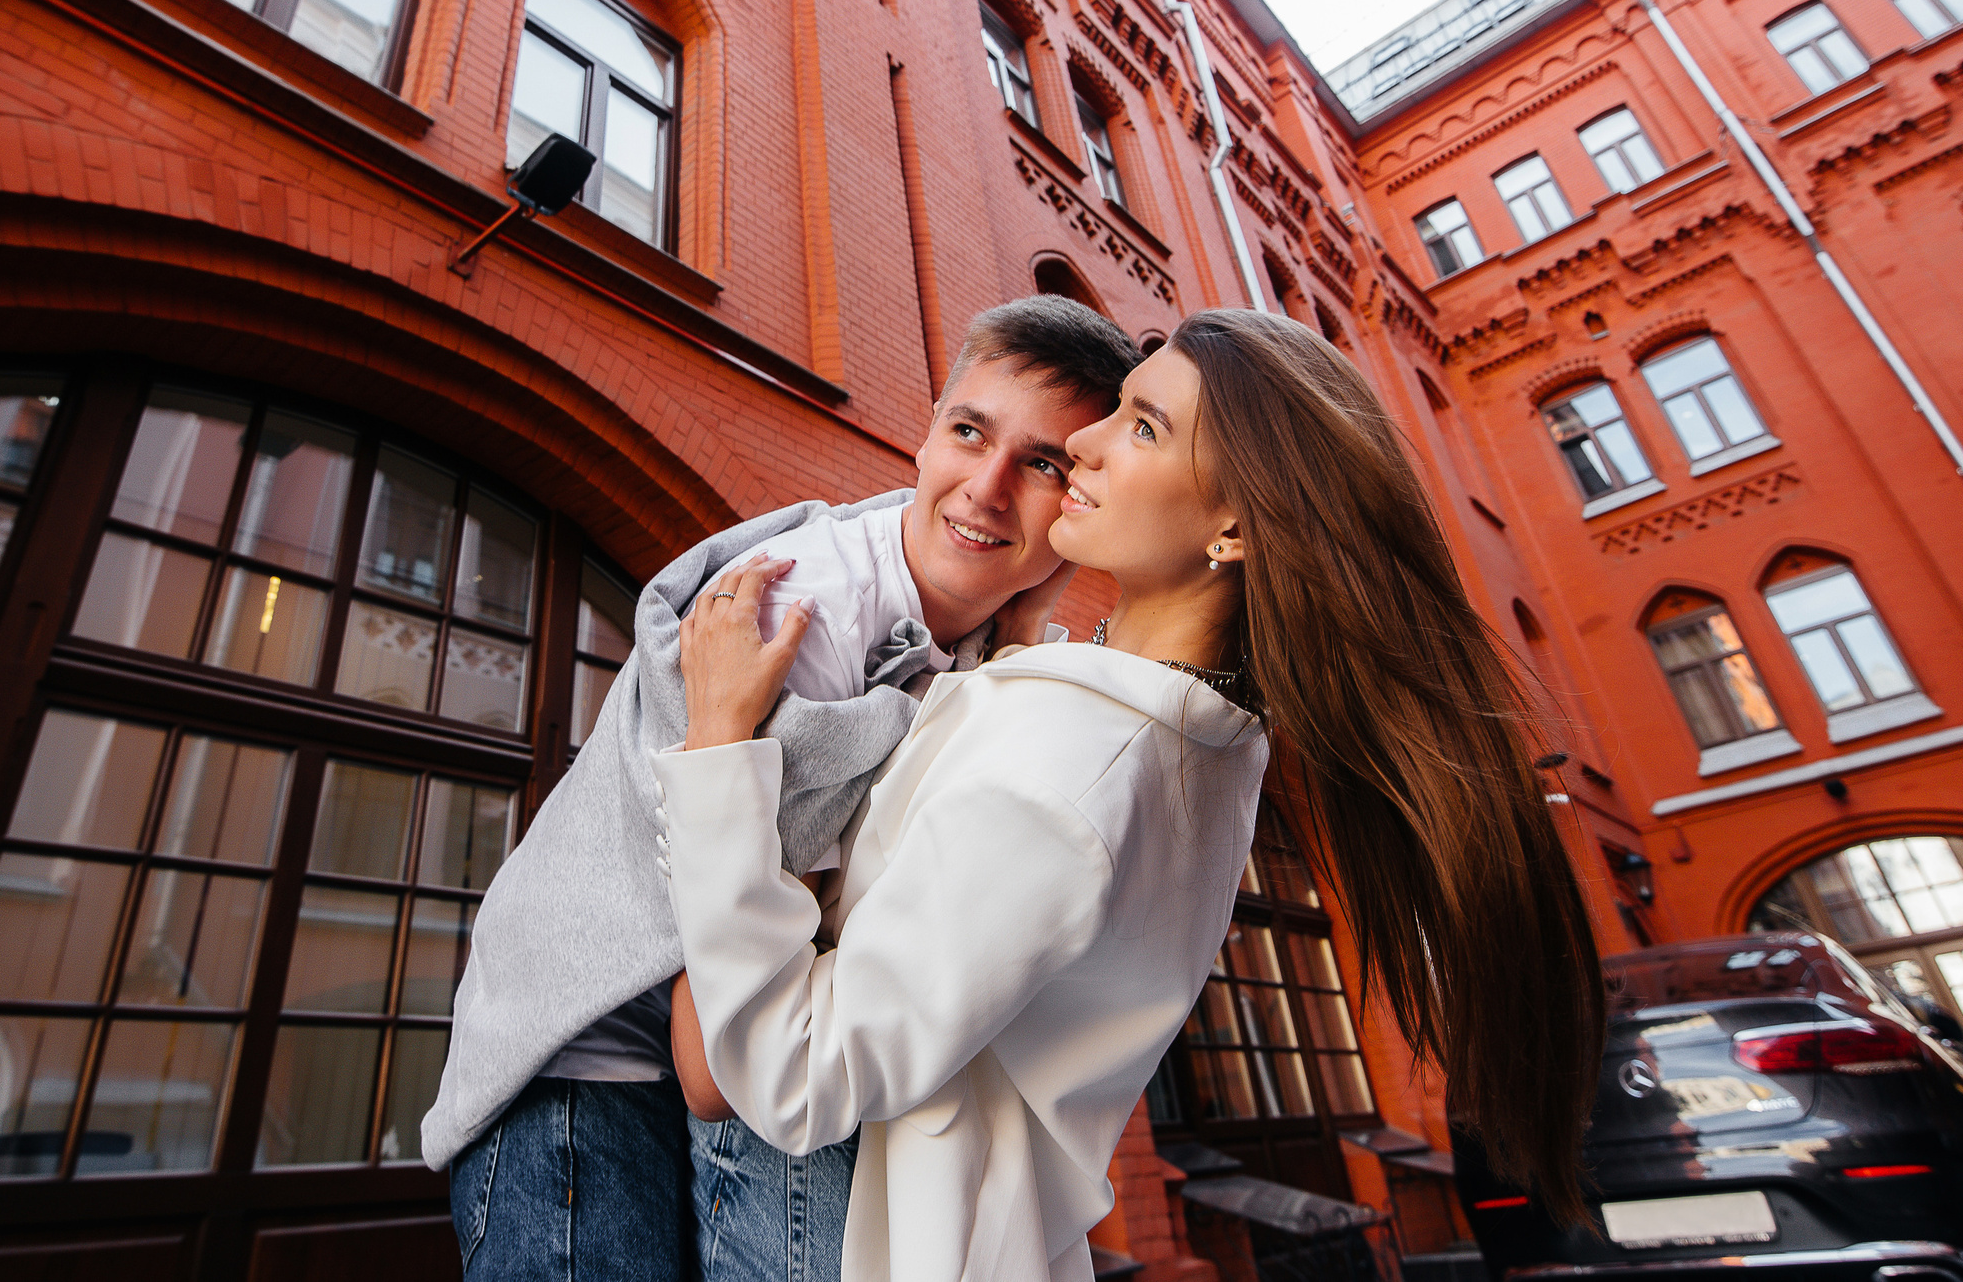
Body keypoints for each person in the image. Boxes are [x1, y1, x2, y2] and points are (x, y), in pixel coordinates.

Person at [659, 309, 1605, 1281]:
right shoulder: (1197, 736)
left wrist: (721, 745)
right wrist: (1016, 650)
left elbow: (789, 1071)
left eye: (1142, 426)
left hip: (846, 1228)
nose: (1081, 440)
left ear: (1234, 527)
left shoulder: (1074, 767)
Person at [423, 298, 1140, 1282]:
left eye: (1045, 462)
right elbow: (721, 1059)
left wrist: (1023, 614)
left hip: (718, 1052)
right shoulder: (801, 619)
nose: (984, 487)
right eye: (967, 431)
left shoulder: (976, 637)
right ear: (926, 434)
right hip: (583, 1046)